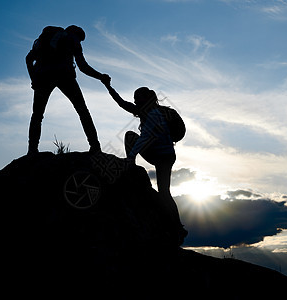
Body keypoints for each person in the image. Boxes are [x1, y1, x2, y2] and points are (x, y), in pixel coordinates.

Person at [103, 79, 187, 245]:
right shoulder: (146, 111)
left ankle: (177, 227)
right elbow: (121, 103)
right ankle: (178, 227)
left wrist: (131, 157)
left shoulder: (155, 114)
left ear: (145, 98)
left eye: (137, 98)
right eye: (134, 99)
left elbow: (146, 137)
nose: (135, 101)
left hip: (162, 157)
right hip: (164, 155)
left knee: (164, 193)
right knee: (165, 193)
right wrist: (108, 86)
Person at [26, 25, 110, 155]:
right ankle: (95, 147)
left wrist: (34, 80)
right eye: (80, 39)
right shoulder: (72, 39)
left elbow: (28, 59)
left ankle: (32, 150)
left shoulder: (44, 40)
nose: (80, 42)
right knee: (83, 111)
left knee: (37, 115)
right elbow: (83, 66)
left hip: (43, 76)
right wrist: (100, 76)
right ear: (76, 34)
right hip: (65, 75)